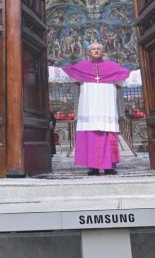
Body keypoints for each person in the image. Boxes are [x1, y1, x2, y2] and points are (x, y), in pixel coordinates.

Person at [53, 42, 132, 174]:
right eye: (93, 49)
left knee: (108, 136)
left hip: (107, 108)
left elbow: (123, 80)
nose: (96, 51)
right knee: (91, 137)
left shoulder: (112, 66)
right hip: (89, 107)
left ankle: (109, 167)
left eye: (98, 49)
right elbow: (69, 76)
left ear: (103, 51)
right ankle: (93, 167)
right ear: (89, 52)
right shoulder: (82, 66)